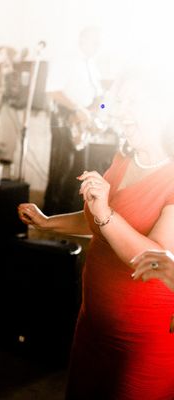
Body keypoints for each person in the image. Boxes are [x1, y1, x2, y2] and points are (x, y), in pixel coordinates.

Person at [18, 71, 174, 398]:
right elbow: (97, 223)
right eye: (120, 102)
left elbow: (156, 259)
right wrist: (48, 222)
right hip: (91, 325)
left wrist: (104, 212)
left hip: (141, 341)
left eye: (133, 102)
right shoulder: (121, 160)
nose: (121, 110)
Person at [44, 26, 114, 215]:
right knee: (62, 169)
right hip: (65, 118)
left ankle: (66, 213)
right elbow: (52, 91)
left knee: (77, 172)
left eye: (100, 43)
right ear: (82, 40)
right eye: (95, 42)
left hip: (82, 123)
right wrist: (78, 109)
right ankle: (50, 216)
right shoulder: (65, 60)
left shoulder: (92, 65)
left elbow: (99, 101)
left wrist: (101, 109)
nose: (98, 47)